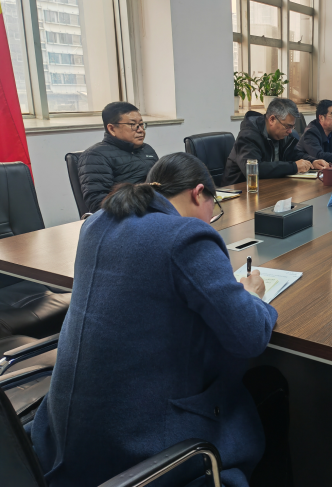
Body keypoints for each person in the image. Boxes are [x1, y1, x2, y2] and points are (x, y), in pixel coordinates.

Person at [31, 153, 292, 487]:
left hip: (62, 440)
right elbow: (250, 336)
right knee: (266, 385)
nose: (211, 220)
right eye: (213, 210)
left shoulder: (97, 222)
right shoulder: (186, 236)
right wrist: (253, 296)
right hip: (135, 456)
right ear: (198, 193)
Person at [222, 98, 329, 185]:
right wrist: (294, 167)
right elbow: (253, 169)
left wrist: (312, 162)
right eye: (287, 126)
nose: (290, 131)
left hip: (270, 187)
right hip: (240, 191)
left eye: (292, 127)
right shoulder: (248, 136)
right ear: (272, 119)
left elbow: (295, 155)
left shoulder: (282, 135)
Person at [78, 101, 159, 214]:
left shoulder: (147, 149)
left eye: (141, 124)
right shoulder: (95, 156)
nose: (140, 130)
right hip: (128, 215)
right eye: (133, 125)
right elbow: (97, 204)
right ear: (112, 129)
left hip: (156, 209)